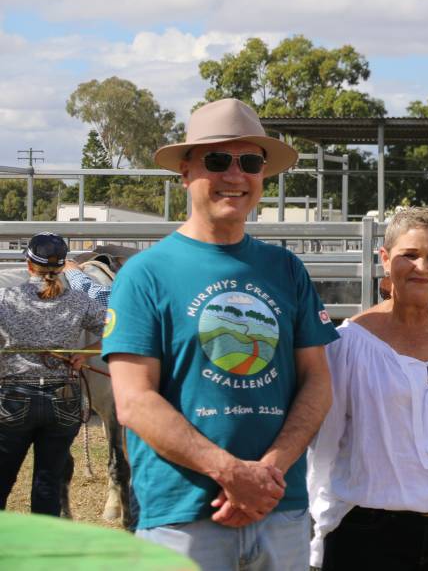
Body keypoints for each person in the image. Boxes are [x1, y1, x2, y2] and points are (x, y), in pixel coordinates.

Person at [104, 98, 338, 571]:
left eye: (250, 162)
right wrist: (231, 474)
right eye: (217, 160)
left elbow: (317, 381)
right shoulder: (144, 275)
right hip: (183, 515)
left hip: (280, 508)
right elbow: (134, 402)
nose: (235, 175)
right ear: (185, 171)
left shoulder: (286, 270)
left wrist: (267, 473)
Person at [308, 207, 428, 569]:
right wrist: (322, 524)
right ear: (384, 259)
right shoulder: (347, 343)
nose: (421, 267)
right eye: (408, 255)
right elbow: (326, 444)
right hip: (368, 534)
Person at [0, 232, 105, 515]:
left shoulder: (6, 298)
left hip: (14, 399)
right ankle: (42, 554)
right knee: (48, 484)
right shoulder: (80, 301)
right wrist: (84, 354)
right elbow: (117, 329)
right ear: (62, 266)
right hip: (64, 400)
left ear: (28, 264)